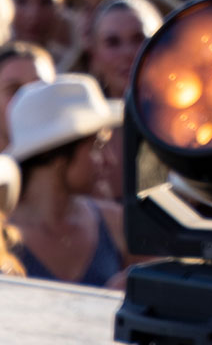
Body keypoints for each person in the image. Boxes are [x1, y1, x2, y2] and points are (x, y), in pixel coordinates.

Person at [7, 74, 125, 286]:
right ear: (58, 155)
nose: (110, 160)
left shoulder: (116, 223)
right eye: (98, 146)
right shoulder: (3, 237)